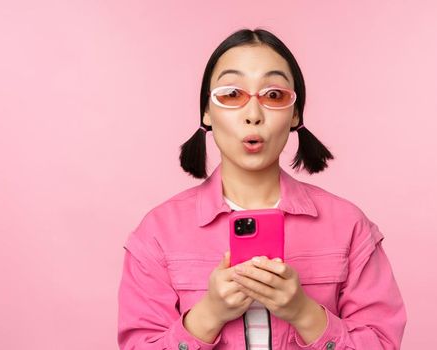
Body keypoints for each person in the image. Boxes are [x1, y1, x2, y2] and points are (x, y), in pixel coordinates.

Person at [117, 28, 407, 350]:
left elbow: (382, 342)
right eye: (231, 94)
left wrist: (304, 313)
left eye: (273, 95)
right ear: (207, 113)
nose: (253, 115)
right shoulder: (157, 234)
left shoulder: (349, 226)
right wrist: (208, 316)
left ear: (295, 113)